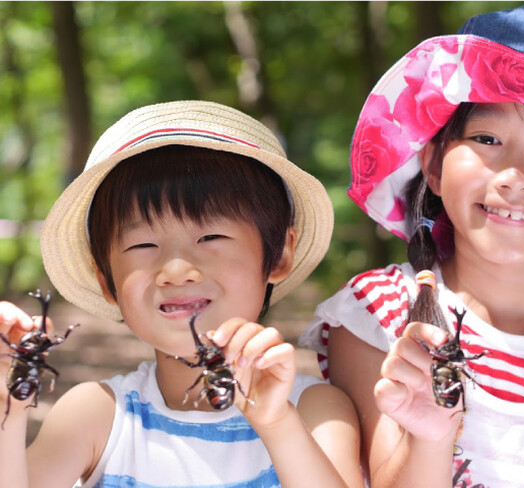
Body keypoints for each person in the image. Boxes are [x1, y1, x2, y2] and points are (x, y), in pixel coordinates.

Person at [299, 5, 524, 488]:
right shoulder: (378, 314)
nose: (516, 176)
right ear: (436, 166)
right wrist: (430, 436)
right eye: (487, 138)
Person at [0, 100, 364, 488]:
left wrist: (278, 424)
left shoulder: (317, 411)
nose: (175, 270)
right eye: (142, 245)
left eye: (211, 236)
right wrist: (7, 409)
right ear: (106, 279)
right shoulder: (96, 415)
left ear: (280, 253)